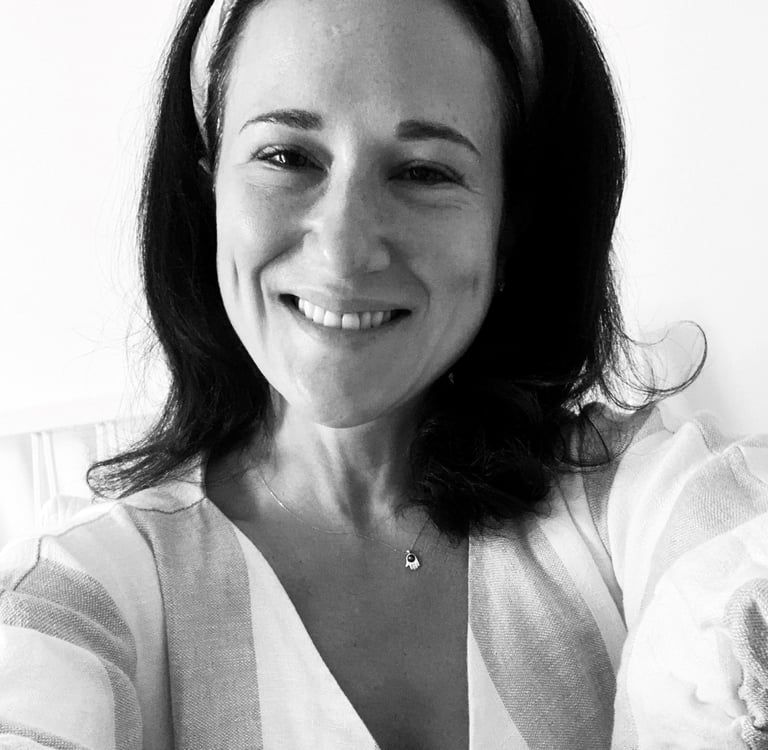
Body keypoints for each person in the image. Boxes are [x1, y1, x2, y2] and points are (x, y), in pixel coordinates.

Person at [1, 0, 766, 747]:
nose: (342, 250)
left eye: (425, 171)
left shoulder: (636, 496)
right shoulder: (85, 587)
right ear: (210, 192)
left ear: (509, 226)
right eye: (286, 157)